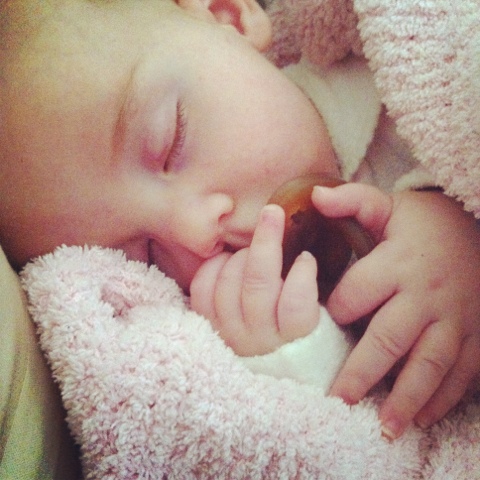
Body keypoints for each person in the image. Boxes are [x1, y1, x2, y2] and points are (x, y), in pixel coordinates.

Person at [0, 0, 479, 446]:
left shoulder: (419, 73)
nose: (194, 235)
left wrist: (468, 241)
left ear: (226, 14)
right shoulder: (230, 324)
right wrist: (293, 359)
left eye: (171, 144)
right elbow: (352, 436)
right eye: (143, 254)